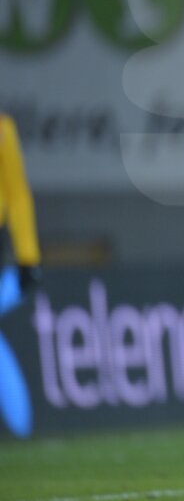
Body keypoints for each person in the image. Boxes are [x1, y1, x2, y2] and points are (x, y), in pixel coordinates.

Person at [0, 112, 41, 439]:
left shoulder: (3, 131)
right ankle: (19, 423)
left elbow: (17, 195)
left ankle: (20, 423)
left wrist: (28, 256)